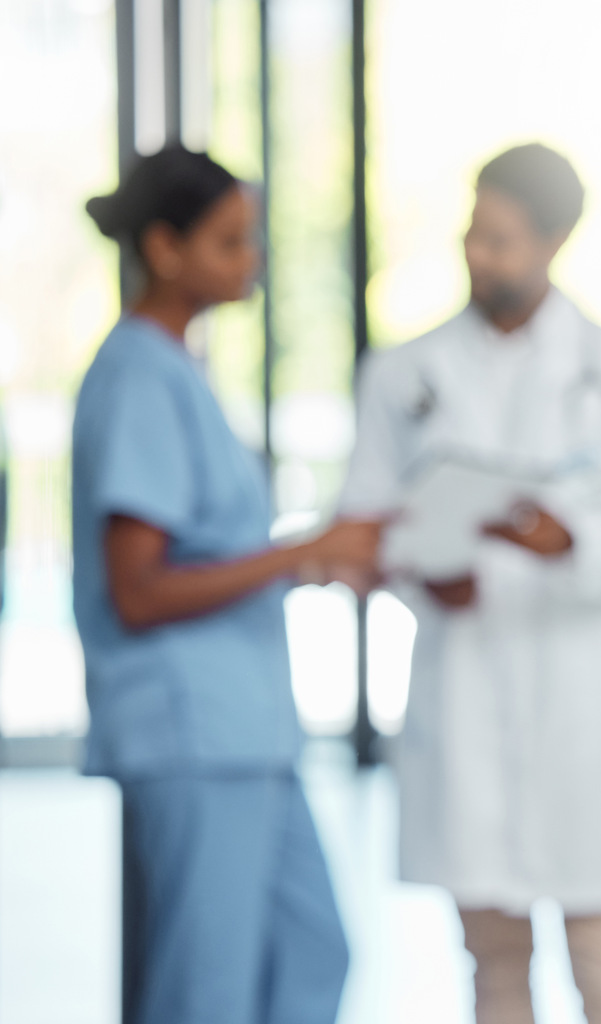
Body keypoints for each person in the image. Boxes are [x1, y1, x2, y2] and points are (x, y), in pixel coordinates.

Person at [339, 143, 601, 1024]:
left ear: (555, 239)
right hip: (465, 692)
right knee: (492, 965)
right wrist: (425, 575)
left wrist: (568, 538)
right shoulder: (403, 373)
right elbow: (365, 520)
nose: (480, 255)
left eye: (502, 239)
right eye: (473, 234)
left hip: (586, 701)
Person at [75, 145, 375, 1024]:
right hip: (191, 733)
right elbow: (140, 590)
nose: (253, 261)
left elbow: (211, 551)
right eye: (230, 241)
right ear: (165, 249)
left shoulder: (180, 371)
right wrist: (296, 551)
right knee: (206, 991)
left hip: (243, 733)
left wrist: (306, 561)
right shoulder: (138, 374)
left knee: (312, 950)